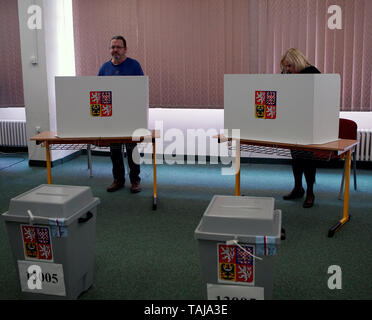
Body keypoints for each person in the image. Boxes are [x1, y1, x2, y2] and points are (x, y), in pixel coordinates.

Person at [98, 35, 144, 193]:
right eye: (112, 47)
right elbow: (99, 92)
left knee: (132, 150)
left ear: (125, 49)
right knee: (115, 151)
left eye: (118, 47)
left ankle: (135, 181)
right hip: (112, 117)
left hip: (130, 115)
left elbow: (141, 90)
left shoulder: (134, 65)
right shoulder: (104, 68)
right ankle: (118, 179)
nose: (115, 50)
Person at [280, 48, 321, 208]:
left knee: (307, 159)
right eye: (286, 67)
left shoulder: (312, 73)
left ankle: (310, 192)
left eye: (290, 66)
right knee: (296, 158)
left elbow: (318, 98)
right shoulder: (290, 76)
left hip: (309, 122)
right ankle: (298, 188)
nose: (288, 70)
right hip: (294, 121)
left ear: (297, 62)